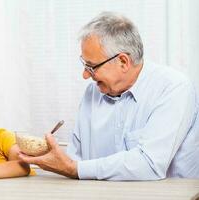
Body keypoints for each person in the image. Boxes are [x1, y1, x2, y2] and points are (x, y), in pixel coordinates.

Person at [19, 12, 199, 180]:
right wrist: (53, 158)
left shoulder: (174, 88)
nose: (85, 75)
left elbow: (149, 165)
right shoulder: (93, 93)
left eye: (92, 66)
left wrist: (74, 168)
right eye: (84, 65)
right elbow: (77, 159)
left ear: (123, 62)